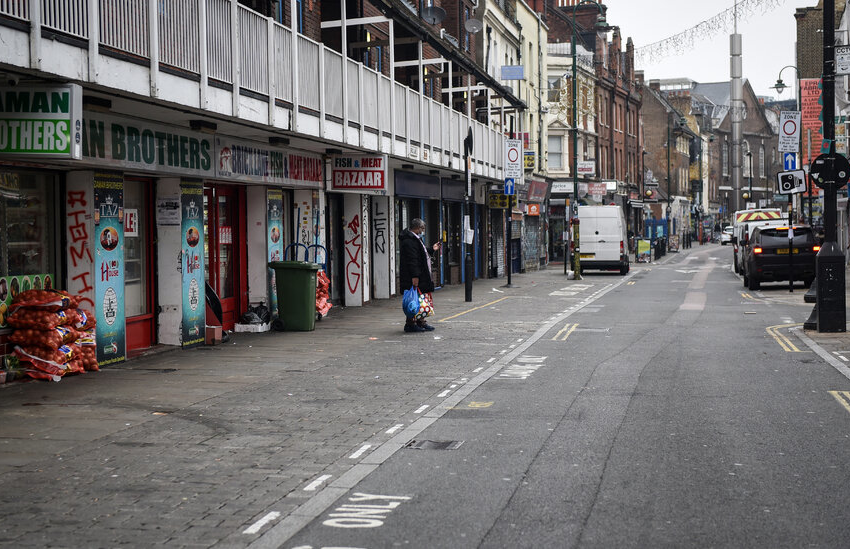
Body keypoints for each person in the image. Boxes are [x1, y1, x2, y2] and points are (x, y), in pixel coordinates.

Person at [399, 218, 440, 333]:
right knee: (414, 300)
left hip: (420, 274)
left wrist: (432, 249)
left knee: (421, 299)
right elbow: (413, 260)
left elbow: (421, 253)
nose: (423, 231)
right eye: (422, 228)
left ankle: (420, 321)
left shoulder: (415, 239)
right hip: (415, 276)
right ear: (418, 228)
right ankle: (410, 323)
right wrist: (415, 276)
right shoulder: (409, 241)